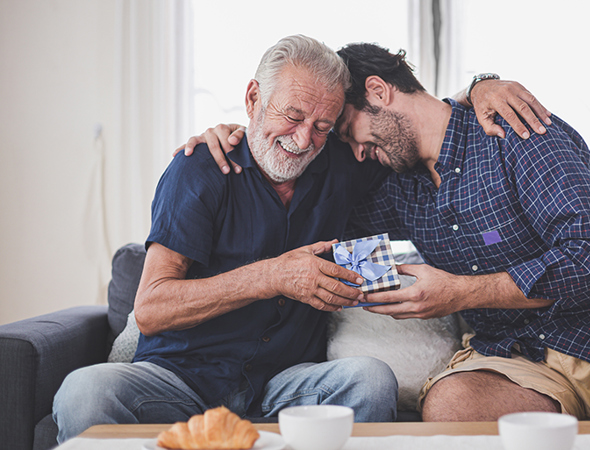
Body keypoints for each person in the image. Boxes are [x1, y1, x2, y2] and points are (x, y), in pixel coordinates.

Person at [195, 42, 590, 422]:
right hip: (513, 361)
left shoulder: (513, 129)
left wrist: (461, 291)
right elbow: (295, 181)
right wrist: (236, 136)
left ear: (380, 91)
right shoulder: (390, 187)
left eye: (348, 130)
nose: (354, 151)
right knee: (452, 409)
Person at [52, 35, 399, 444]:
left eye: (322, 127)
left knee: (372, 381)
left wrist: (476, 88)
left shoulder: (341, 166)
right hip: (179, 382)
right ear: (253, 99)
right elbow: (150, 309)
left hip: (284, 387)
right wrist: (272, 276)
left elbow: (418, 123)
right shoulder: (199, 169)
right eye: (292, 115)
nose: (303, 140)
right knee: (84, 393)